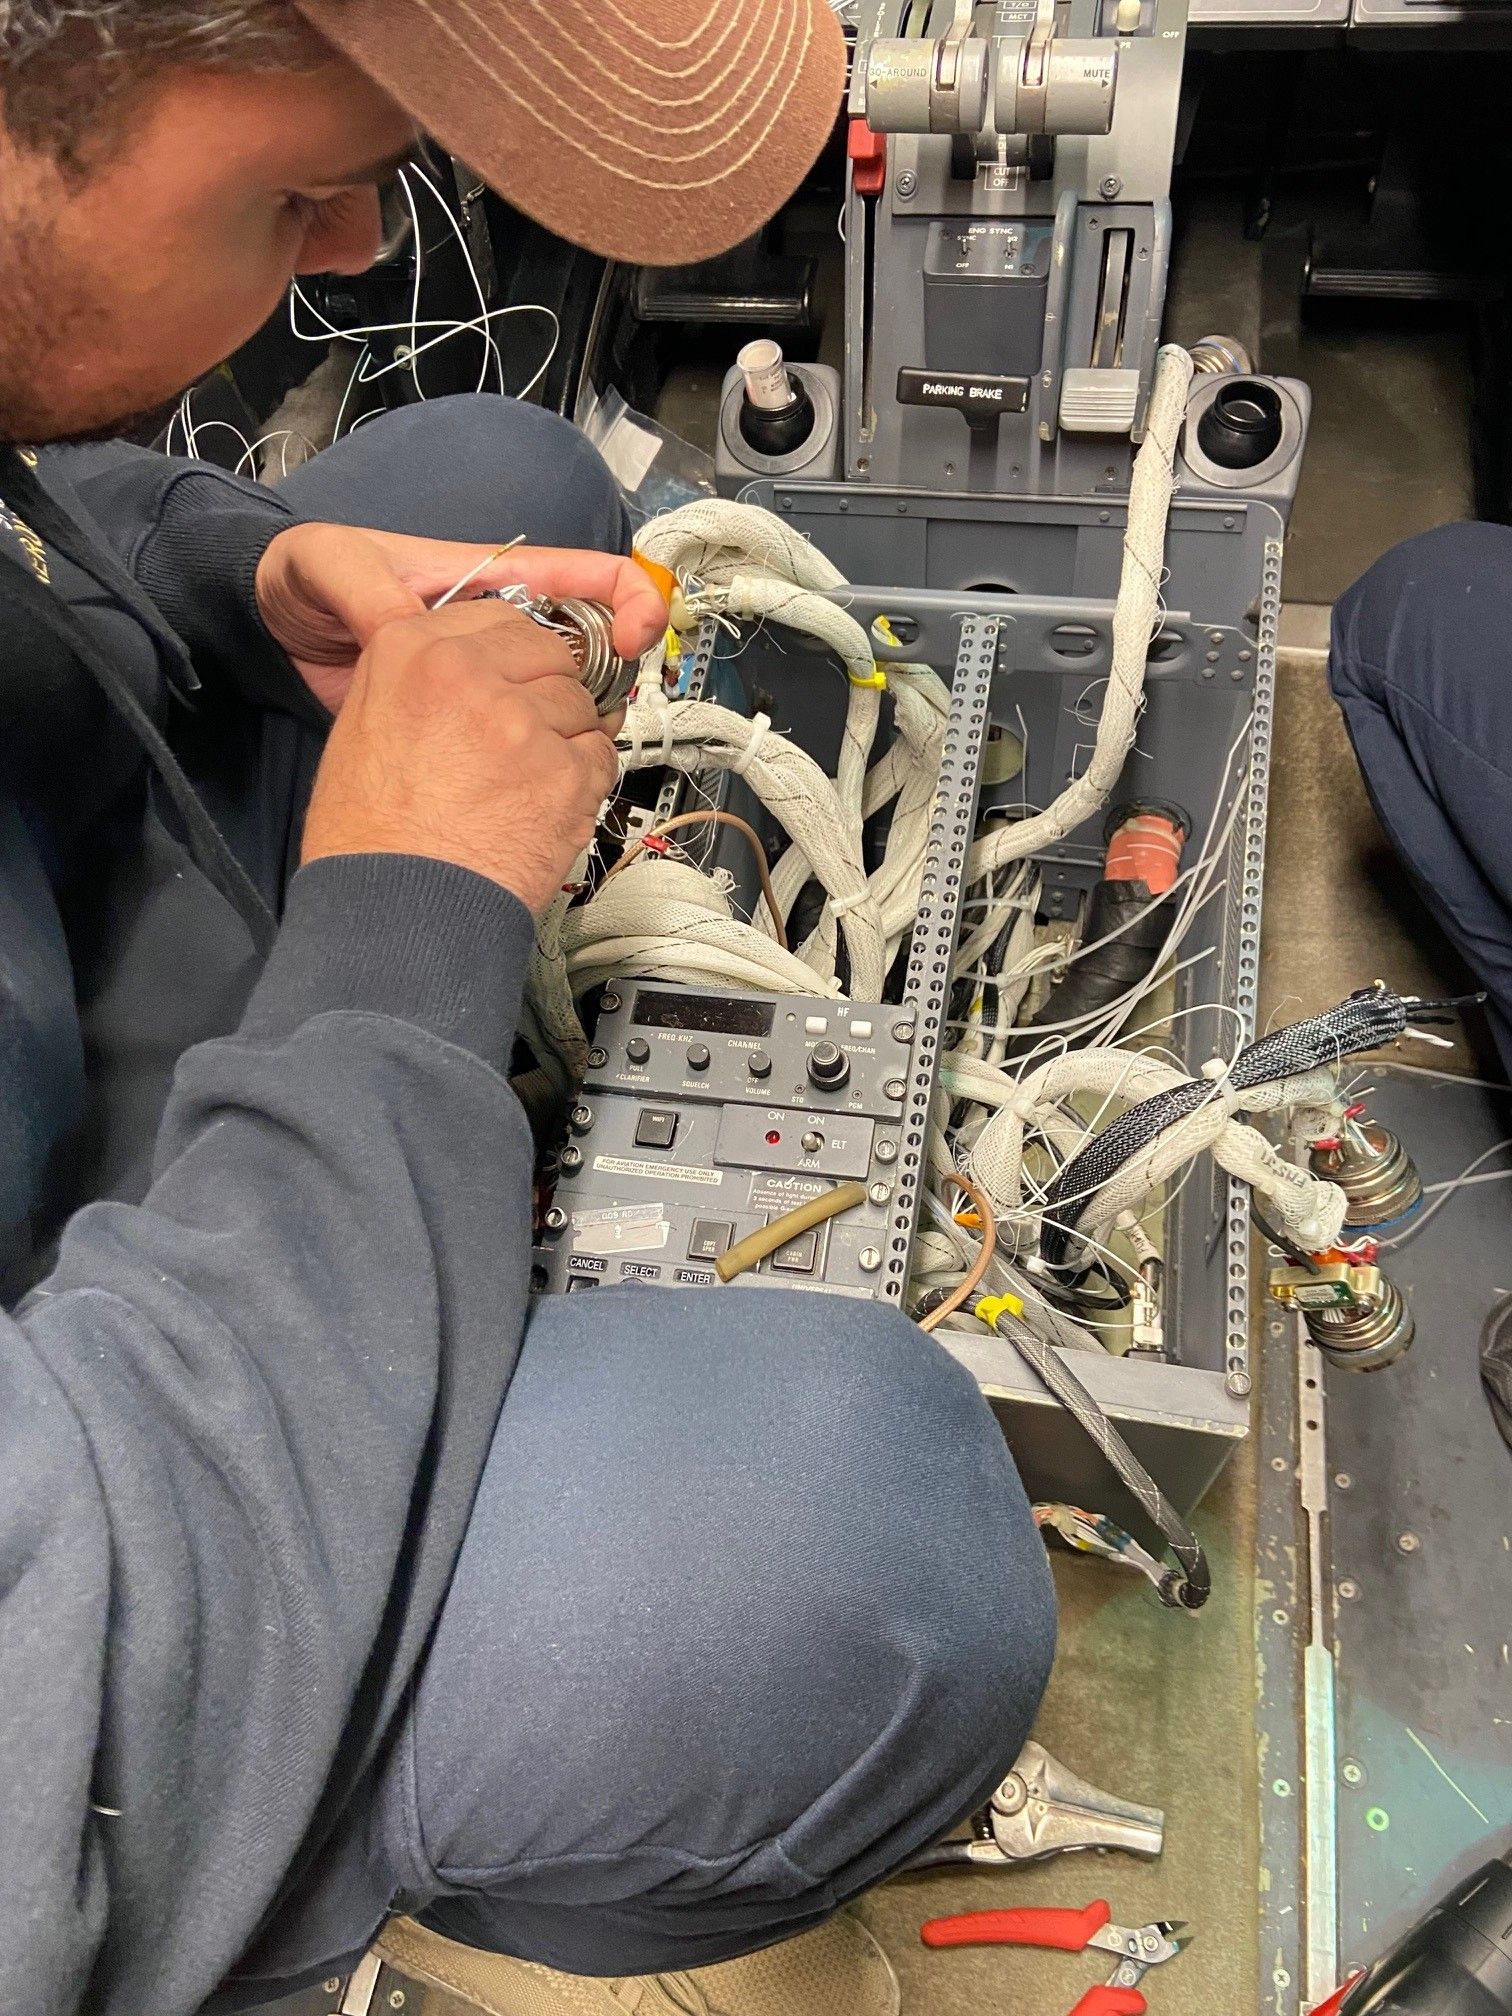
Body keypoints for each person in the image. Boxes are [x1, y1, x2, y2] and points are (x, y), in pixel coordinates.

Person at [0, 6, 1059, 2015]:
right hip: (94, 1611)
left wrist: (223, 565)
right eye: (293, 190)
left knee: (508, 487)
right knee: (850, 1545)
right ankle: (372, 1893)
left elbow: (38, 506)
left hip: (96, 1011)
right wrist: (405, 934)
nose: (345, 254)